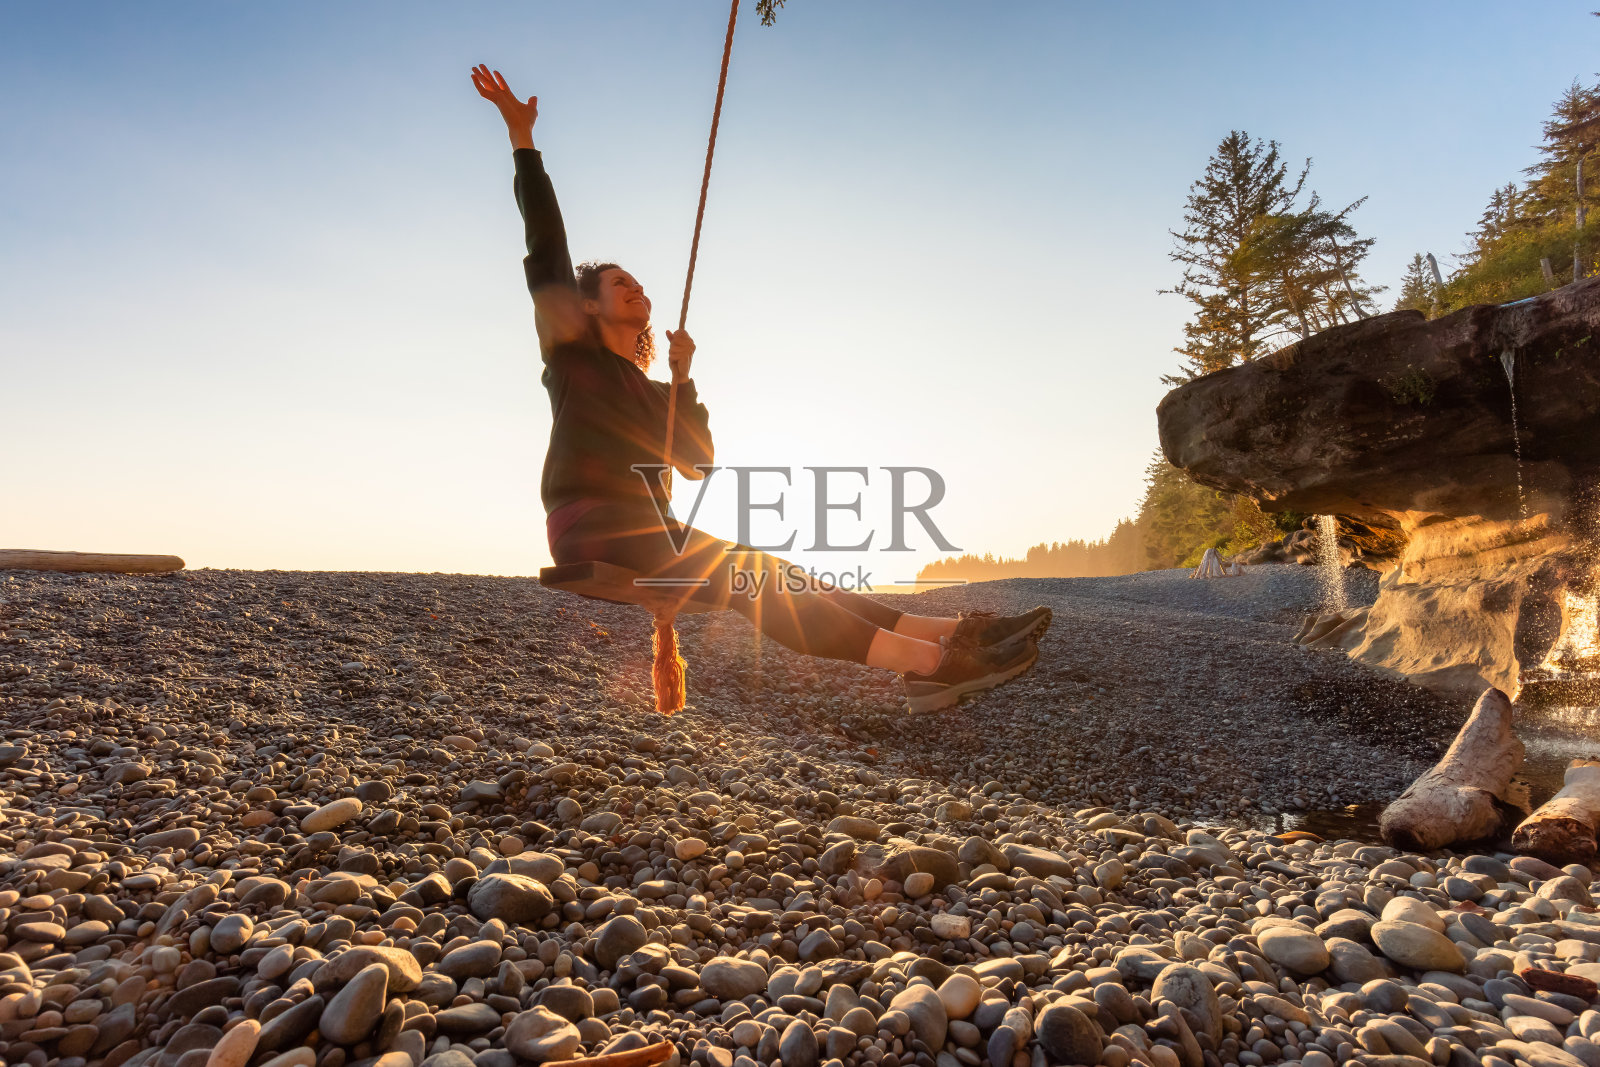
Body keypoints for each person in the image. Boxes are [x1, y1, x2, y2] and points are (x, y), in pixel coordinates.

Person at [472, 65, 1050, 713]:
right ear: (587, 307)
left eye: (637, 281)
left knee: (780, 571)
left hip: (649, 528)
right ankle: (931, 666)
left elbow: (697, 462)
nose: (636, 287)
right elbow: (546, 249)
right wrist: (523, 140)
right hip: (591, 527)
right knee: (754, 577)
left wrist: (684, 380)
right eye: (619, 284)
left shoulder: (654, 391)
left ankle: (950, 634)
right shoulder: (573, 358)